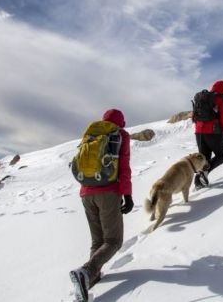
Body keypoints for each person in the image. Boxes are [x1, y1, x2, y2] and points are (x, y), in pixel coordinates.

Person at [70, 109, 133, 302]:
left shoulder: (91, 134)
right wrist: (127, 195)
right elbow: (123, 166)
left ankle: (90, 281)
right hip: (108, 192)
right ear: (120, 122)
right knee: (113, 241)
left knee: (98, 242)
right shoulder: (120, 135)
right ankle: (86, 273)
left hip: (86, 192)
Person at [193, 80, 223, 189]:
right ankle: (204, 173)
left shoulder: (203, 97)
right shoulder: (221, 98)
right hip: (213, 132)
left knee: (204, 159)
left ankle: (198, 183)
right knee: (222, 156)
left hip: (199, 132)